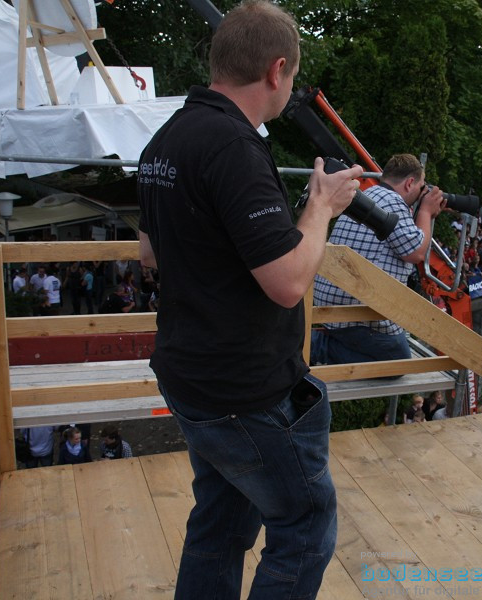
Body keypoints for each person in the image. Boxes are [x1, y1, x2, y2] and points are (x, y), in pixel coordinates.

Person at [136, 2, 362, 598]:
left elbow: (150, 252)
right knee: (305, 527)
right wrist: (319, 208)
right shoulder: (235, 146)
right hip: (246, 389)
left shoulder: (167, 137)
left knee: (220, 524)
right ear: (276, 70)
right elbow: (287, 283)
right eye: (292, 78)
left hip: (191, 378)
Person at [311, 153, 446, 366]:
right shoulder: (393, 202)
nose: (422, 195)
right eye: (421, 189)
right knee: (398, 359)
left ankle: (322, 343)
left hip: (329, 304)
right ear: (410, 183)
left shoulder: (366, 194)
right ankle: (318, 347)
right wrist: (426, 211)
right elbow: (416, 252)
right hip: (356, 315)